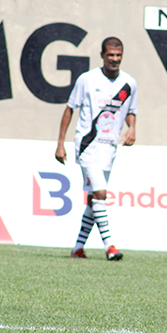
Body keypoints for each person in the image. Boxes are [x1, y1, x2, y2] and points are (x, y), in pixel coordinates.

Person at [55, 37, 137, 261]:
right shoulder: (87, 79)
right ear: (102, 55)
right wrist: (61, 143)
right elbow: (70, 109)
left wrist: (132, 128)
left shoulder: (129, 83)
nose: (114, 59)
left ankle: (77, 249)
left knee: (94, 200)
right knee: (100, 193)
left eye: (118, 55)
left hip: (110, 147)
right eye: (110, 55)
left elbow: (131, 110)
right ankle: (110, 247)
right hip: (88, 145)